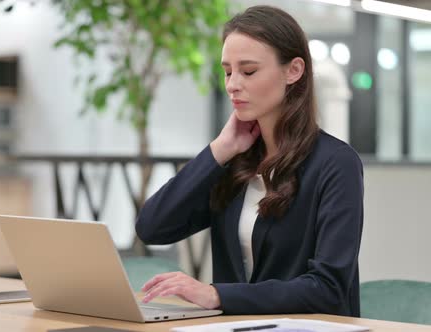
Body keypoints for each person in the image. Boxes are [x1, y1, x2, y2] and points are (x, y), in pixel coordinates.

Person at [135, 5, 363, 317]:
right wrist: (219, 149)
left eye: (249, 71)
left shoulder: (336, 164)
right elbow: (152, 227)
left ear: (293, 71)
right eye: (228, 71)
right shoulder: (234, 161)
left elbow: (328, 288)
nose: (232, 85)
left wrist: (217, 294)